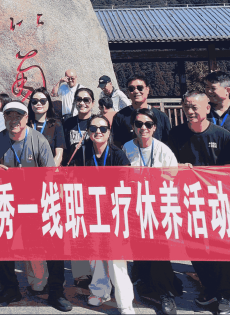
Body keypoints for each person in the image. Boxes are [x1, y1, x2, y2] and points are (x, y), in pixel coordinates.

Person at [0, 101, 71, 312]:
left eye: (18, 116)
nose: (14, 120)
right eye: (9, 116)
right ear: (4, 118)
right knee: (2, 243)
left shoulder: (38, 140)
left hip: (38, 199)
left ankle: (56, 292)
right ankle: (10, 289)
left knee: (54, 243)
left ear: (27, 118)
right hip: (9, 200)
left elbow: (50, 175)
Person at [167, 92, 230, 315]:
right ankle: (208, 289)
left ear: (207, 108)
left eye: (194, 107)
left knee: (221, 248)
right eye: (186, 107)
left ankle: (225, 295)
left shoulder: (223, 136)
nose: (190, 111)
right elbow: (167, 165)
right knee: (194, 247)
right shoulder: (175, 134)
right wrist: (177, 168)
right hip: (188, 200)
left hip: (217, 201)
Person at [67, 115, 135, 314]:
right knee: (95, 254)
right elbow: (70, 177)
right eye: (94, 128)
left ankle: (125, 302)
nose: (98, 132)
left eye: (103, 128)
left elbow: (126, 183)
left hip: (113, 211)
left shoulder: (117, 154)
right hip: (90, 211)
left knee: (116, 258)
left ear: (109, 132)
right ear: (88, 131)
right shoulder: (81, 152)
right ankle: (99, 291)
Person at [123, 109, 181, 315]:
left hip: (158, 208)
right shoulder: (127, 148)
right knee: (140, 249)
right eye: (139, 124)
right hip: (135, 207)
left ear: (154, 127)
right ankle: (144, 281)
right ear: (133, 127)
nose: (143, 128)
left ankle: (166, 293)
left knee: (159, 251)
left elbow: (174, 179)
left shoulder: (163, 150)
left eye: (148, 124)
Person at [60, 87, 96, 287]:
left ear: (93, 102)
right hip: (72, 179)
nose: (82, 103)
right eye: (79, 99)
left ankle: (97, 271)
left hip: (93, 180)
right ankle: (81, 273)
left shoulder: (98, 123)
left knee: (94, 225)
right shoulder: (68, 123)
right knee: (77, 225)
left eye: (86, 99)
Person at [111, 75, 172, 148]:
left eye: (140, 88)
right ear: (128, 92)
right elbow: (116, 145)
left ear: (147, 89)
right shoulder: (120, 117)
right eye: (131, 89)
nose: (136, 91)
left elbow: (168, 143)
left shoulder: (161, 117)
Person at [27, 87, 66, 167]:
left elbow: (58, 155)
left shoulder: (56, 124)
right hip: (28, 169)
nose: (38, 104)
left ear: (49, 103)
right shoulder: (26, 124)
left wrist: (49, 171)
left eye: (43, 101)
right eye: (34, 101)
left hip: (49, 170)